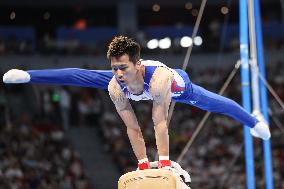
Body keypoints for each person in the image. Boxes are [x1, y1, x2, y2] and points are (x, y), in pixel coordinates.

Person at [3, 36, 271, 171]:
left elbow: (160, 122)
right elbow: (132, 128)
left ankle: (254, 121)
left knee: (218, 104)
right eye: (115, 68)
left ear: (137, 65)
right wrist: (143, 164)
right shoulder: (114, 82)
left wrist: (164, 164)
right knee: (82, 77)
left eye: (123, 67)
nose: (118, 73)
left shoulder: (159, 80)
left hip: (178, 88)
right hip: (136, 90)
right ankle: (28, 75)